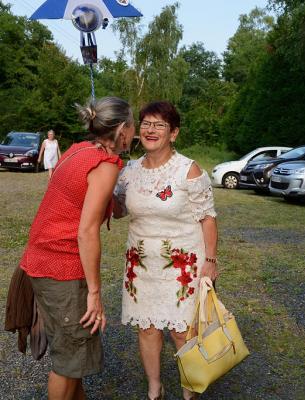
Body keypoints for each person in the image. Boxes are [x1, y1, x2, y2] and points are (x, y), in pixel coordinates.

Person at [20, 96, 135, 400]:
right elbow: (85, 232)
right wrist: (95, 294)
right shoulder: (106, 163)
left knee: (74, 355)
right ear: (122, 129)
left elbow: (72, 197)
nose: (135, 132)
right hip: (63, 269)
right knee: (70, 359)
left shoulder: (77, 150)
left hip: (39, 263)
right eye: (134, 124)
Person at [113, 101, 218, 400]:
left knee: (183, 332)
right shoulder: (129, 171)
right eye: (146, 123)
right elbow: (119, 210)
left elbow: (208, 218)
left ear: (173, 133)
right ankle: (154, 388)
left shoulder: (188, 170)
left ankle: (189, 390)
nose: (150, 129)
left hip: (182, 266)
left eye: (159, 125)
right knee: (147, 328)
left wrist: (210, 261)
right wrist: (102, 186)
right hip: (141, 265)